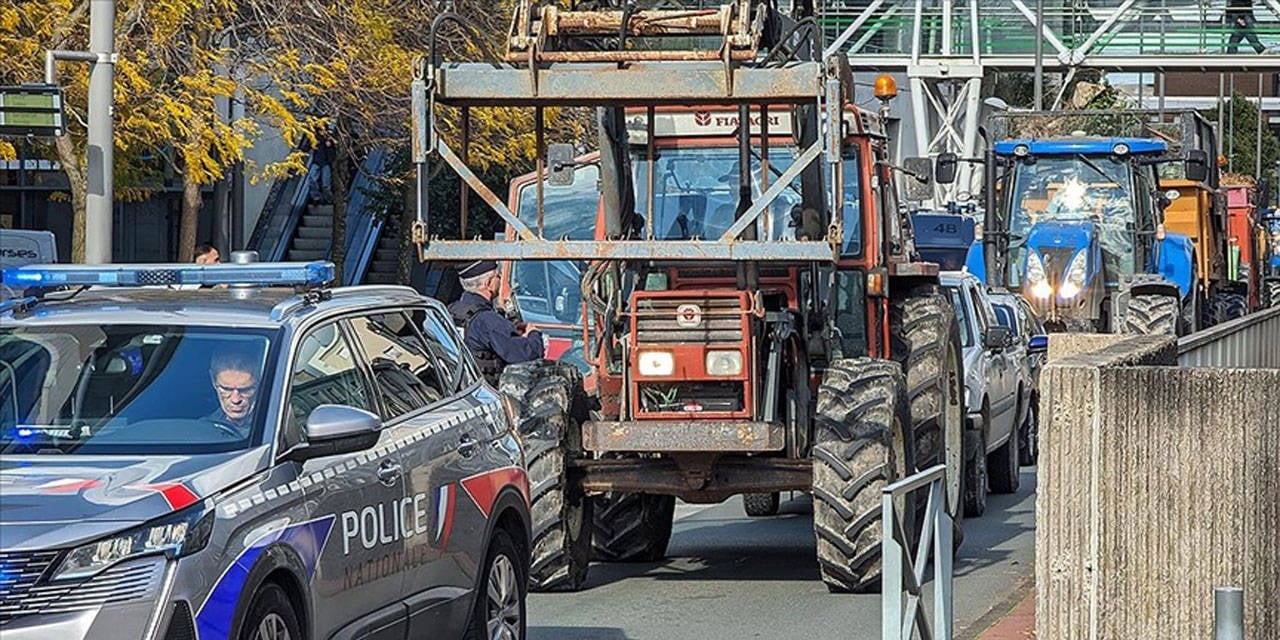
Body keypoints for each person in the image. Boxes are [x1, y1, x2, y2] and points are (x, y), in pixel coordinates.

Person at [448, 260, 545, 385]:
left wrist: (509, 329)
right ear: (488, 283)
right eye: (498, 276)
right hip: (485, 394)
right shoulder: (488, 321)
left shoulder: (451, 310)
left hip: (457, 389)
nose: (500, 279)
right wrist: (533, 334)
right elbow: (527, 355)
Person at [207, 351, 260, 436]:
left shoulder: (279, 425)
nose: (235, 400)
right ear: (213, 380)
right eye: (226, 389)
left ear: (260, 382)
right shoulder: (202, 430)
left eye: (245, 390)